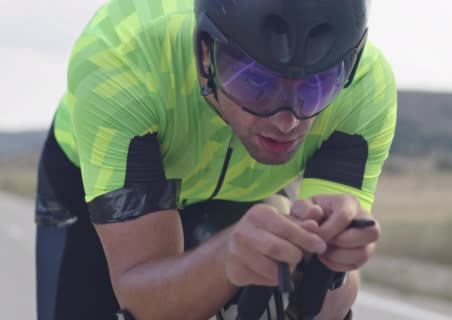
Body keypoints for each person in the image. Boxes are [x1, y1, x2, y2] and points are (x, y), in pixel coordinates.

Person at [34, 0, 396, 319]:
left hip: (244, 191)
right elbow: (142, 295)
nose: (287, 122)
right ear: (205, 54)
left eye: (317, 87)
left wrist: (332, 263)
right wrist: (224, 258)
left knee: (286, 278)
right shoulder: (121, 59)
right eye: (255, 82)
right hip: (87, 187)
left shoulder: (365, 86)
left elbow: (331, 307)